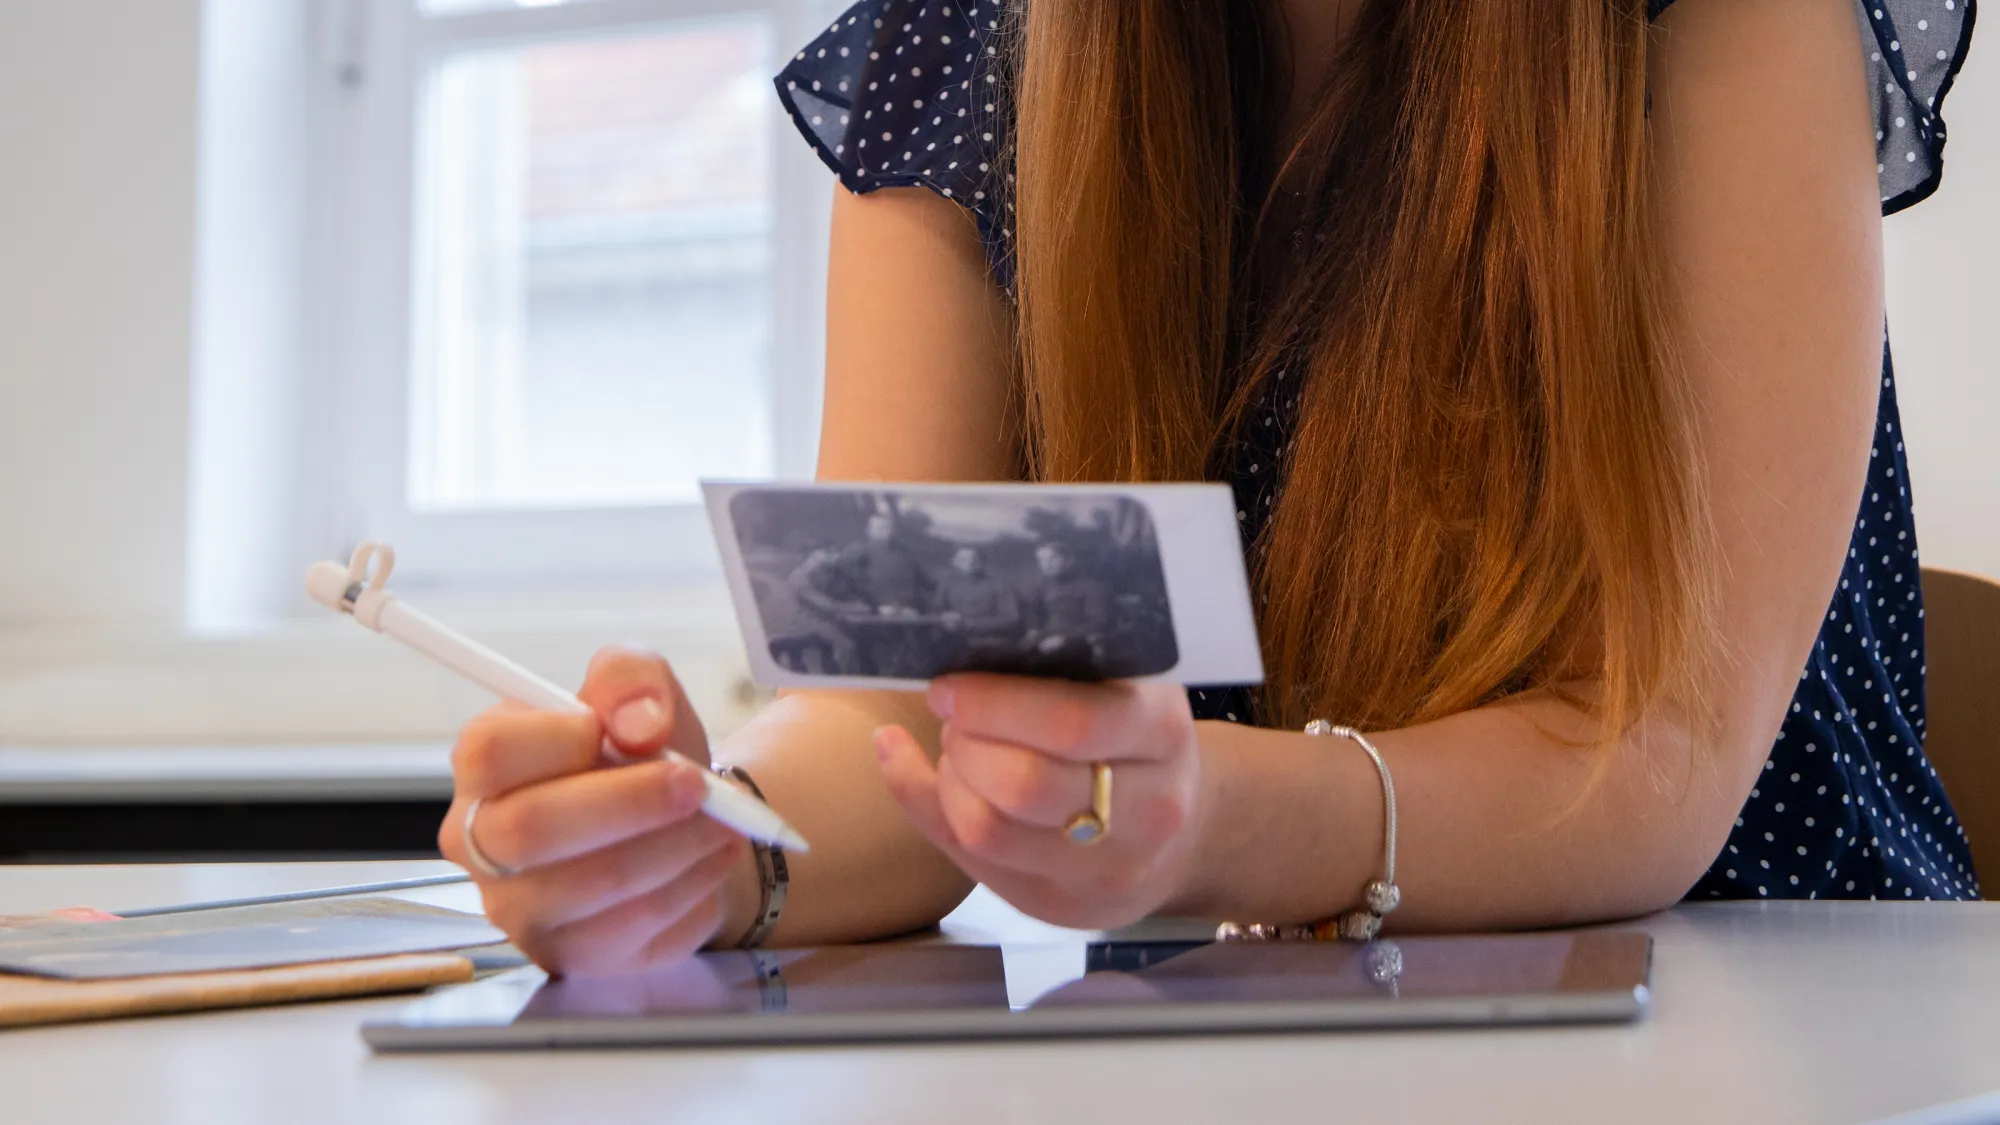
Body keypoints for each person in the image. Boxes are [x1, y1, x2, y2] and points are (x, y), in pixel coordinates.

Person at [438, 0, 1980, 974]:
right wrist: (720, 846)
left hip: (1794, 1018)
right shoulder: (966, 48)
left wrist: (1199, 821)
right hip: (1270, 1034)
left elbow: (1654, 759)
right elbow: (903, 716)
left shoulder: (1716, 22)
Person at [789, 510, 936, 677]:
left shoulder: (903, 552)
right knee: (852, 648)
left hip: (895, 610)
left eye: (887, 527)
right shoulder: (803, 577)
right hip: (829, 618)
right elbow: (833, 600)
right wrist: (868, 607)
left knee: (913, 646)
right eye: (879, 527)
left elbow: (923, 581)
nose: (883, 531)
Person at [936, 546, 1025, 668]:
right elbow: (937, 608)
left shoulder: (998, 584)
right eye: (962, 559)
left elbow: (1011, 619)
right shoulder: (947, 583)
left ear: (981, 561)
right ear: (954, 562)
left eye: (973, 559)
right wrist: (944, 616)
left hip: (991, 643)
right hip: (955, 642)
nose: (969, 563)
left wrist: (971, 624)